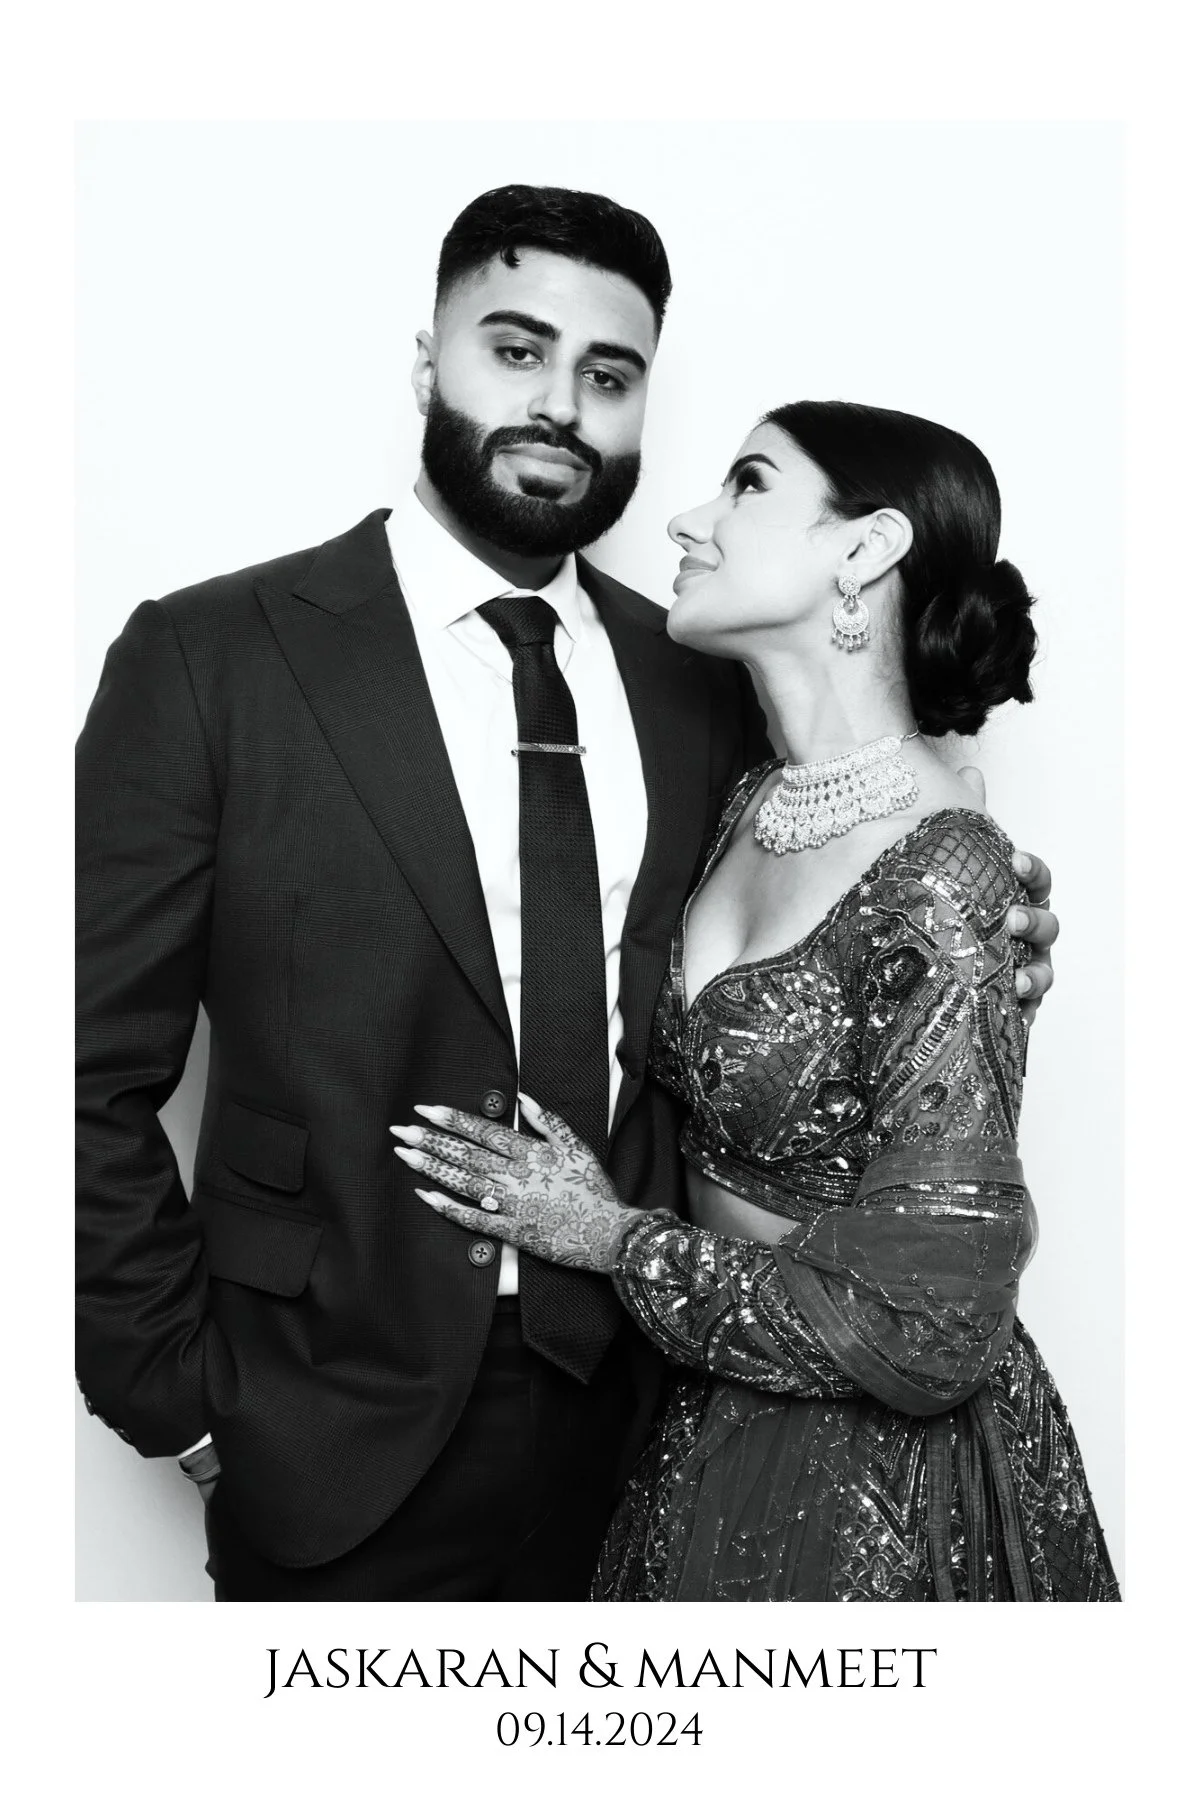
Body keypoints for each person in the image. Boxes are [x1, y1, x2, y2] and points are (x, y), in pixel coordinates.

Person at [76, 186, 1058, 1602]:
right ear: (430, 361)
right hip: (322, 1418)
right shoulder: (210, 657)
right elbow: (74, 1067)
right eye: (515, 349)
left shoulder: (696, 676)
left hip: (656, 1413)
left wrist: (984, 913)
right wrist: (171, 1394)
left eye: (609, 375)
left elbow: (841, 892)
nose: (560, 406)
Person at [398, 399, 1117, 1602]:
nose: (688, 519)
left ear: (865, 548)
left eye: (747, 483)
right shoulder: (747, 798)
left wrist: (607, 1238)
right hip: (697, 1420)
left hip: (878, 1484)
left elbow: (933, 1326)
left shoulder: (951, 873)